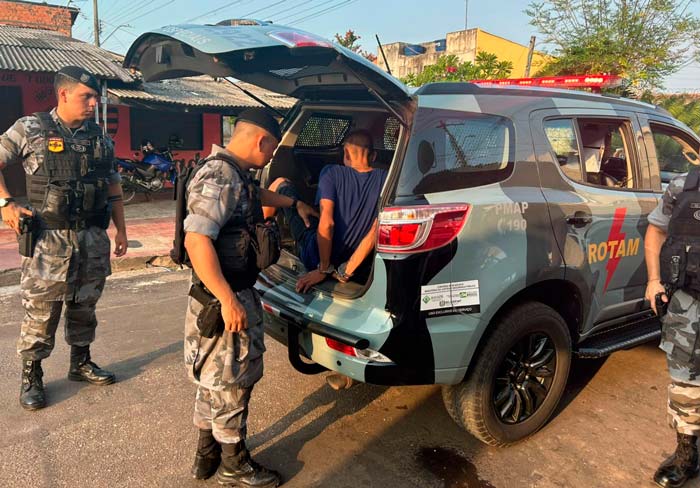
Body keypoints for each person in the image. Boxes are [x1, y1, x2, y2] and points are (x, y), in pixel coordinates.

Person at [183, 108, 316, 487]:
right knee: (232, 381)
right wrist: (228, 299)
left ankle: (206, 453)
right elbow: (197, 239)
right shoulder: (221, 174)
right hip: (223, 297)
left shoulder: (230, 172)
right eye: (271, 151)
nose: (271, 158)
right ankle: (233, 465)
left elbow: (252, 193)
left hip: (217, 293)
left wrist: (294, 204)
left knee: (213, 379)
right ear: (261, 140)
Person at [0, 66, 127, 411]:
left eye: (96, 97)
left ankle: (80, 362)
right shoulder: (31, 128)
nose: (93, 103)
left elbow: (113, 185)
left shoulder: (100, 139)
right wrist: (5, 203)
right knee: (41, 312)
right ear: (64, 94)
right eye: (87, 97)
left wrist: (122, 231)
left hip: (92, 238)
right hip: (48, 242)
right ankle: (32, 375)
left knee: (85, 306)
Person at [264, 129, 388, 294]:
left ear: (346, 154)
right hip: (354, 262)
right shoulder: (386, 179)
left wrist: (323, 269)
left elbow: (327, 223)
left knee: (280, 183)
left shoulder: (331, 172)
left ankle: (263, 240)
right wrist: (346, 271)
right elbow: (376, 229)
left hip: (315, 256)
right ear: (373, 157)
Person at [645, 168, 700, 487]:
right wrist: (653, 280)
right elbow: (656, 231)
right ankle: (686, 456)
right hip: (688, 301)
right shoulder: (684, 185)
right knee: (684, 380)